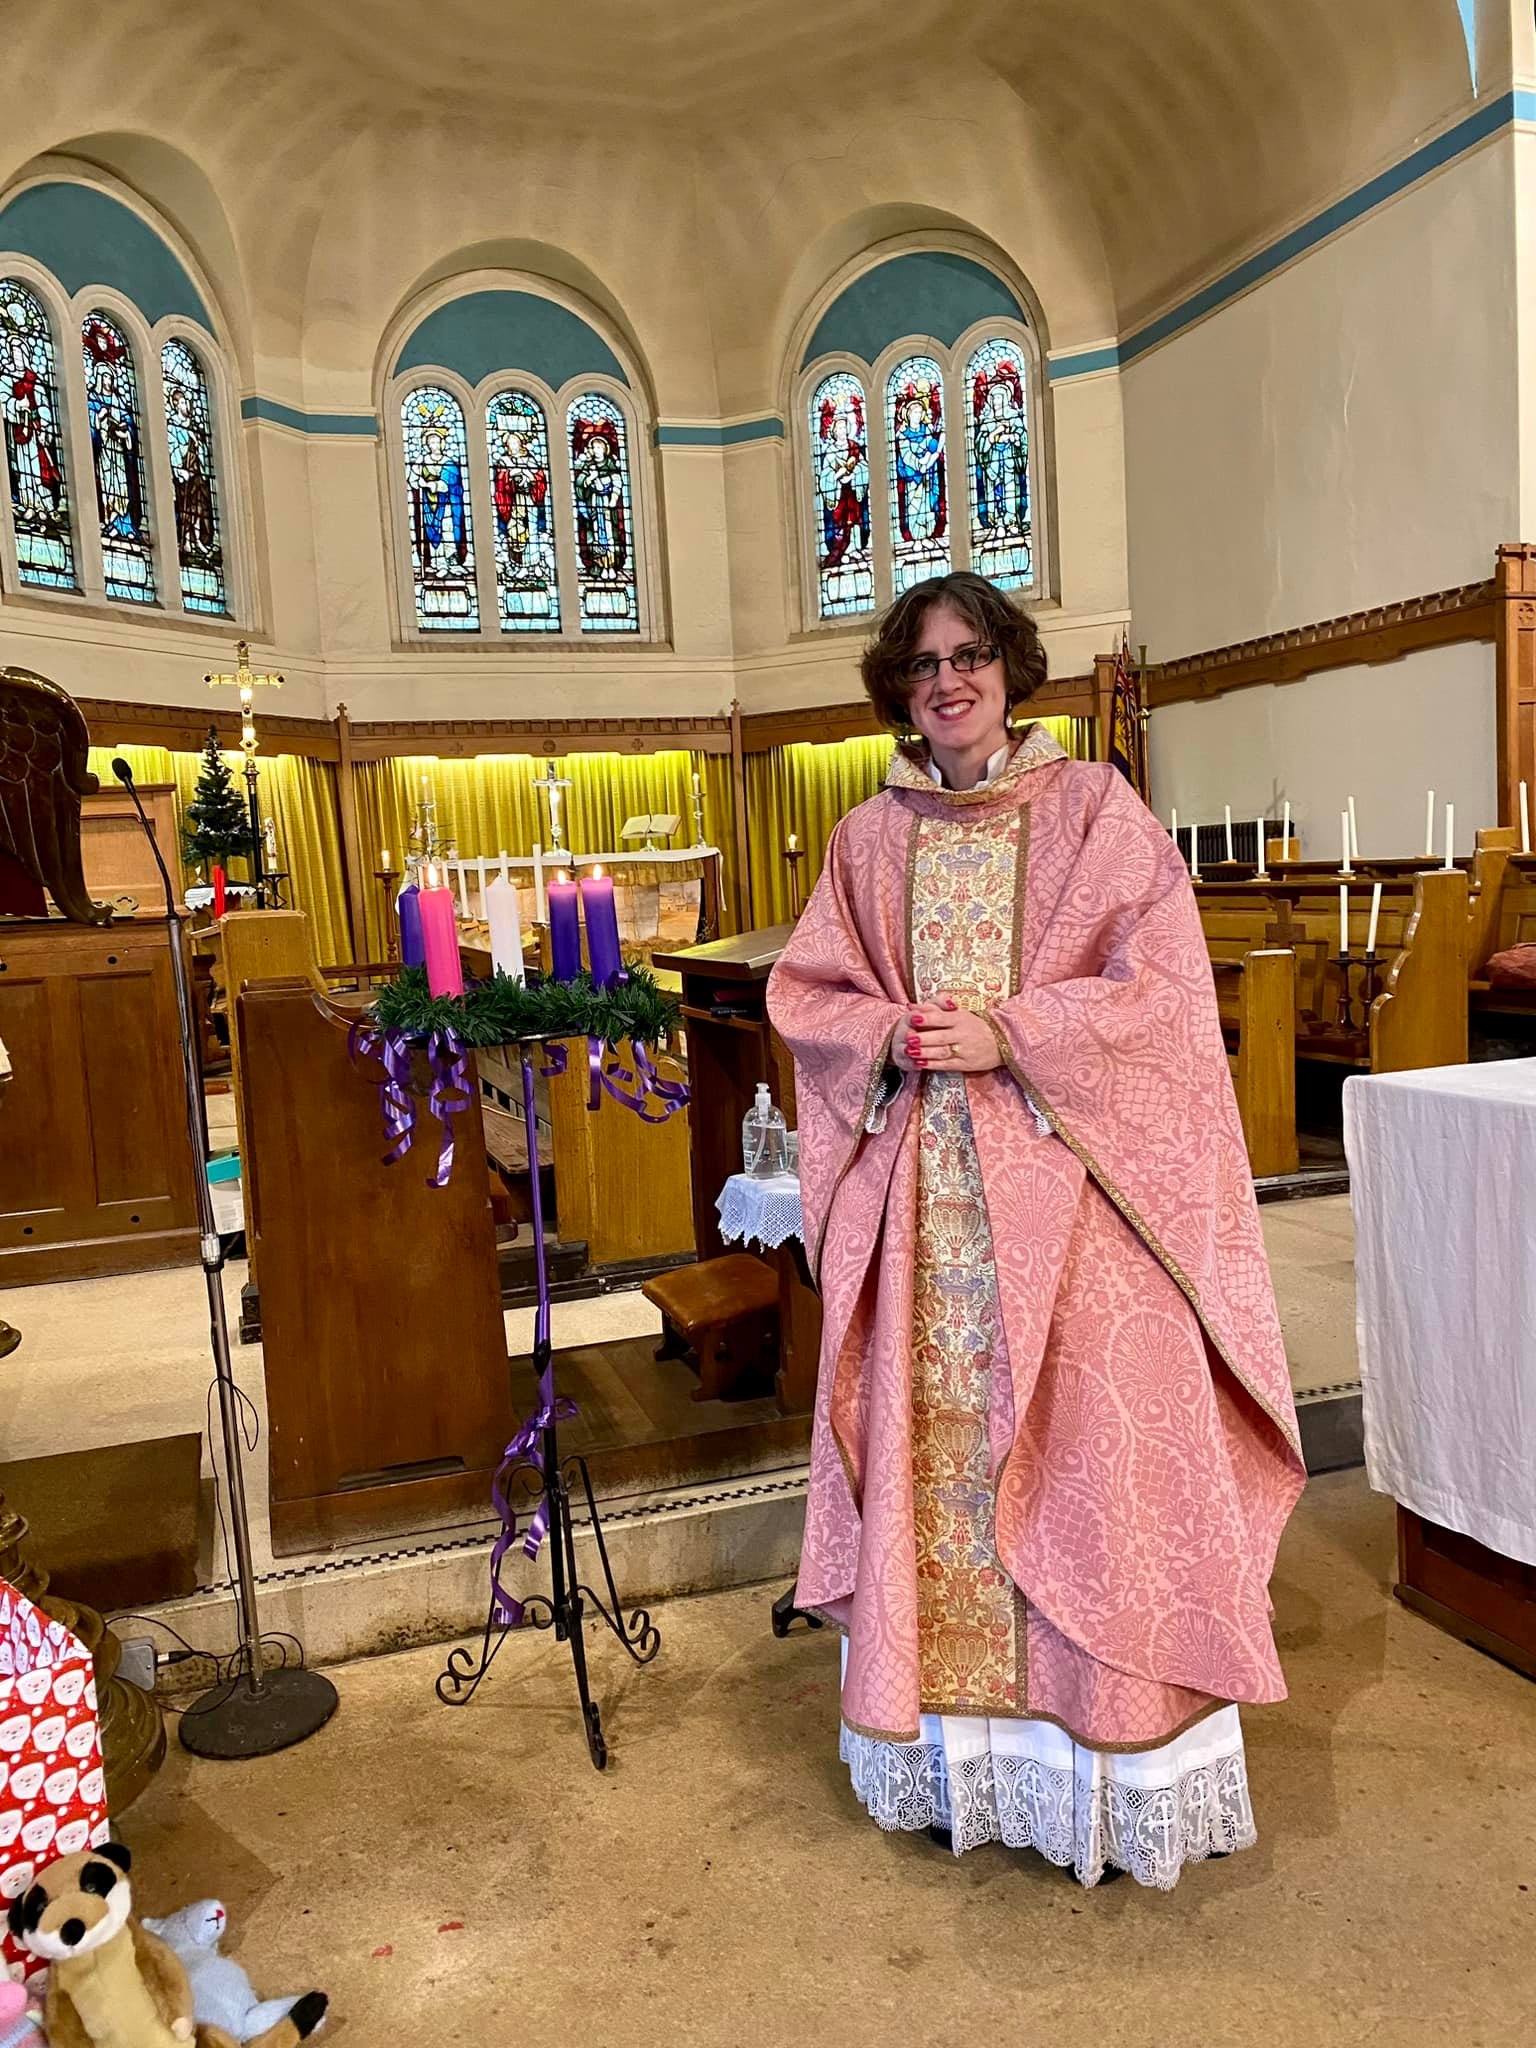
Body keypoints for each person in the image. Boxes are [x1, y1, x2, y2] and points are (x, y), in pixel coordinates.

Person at [767, 571, 1305, 1890]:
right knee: (933, 1470)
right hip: (925, 1216)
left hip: (1079, 1209)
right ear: (899, 689)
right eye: (923, 664)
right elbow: (809, 994)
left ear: (1009, 668)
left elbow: (1165, 994)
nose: (948, 681)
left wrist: (1015, 1031)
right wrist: (893, 1033)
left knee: (1097, 1469)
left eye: (970, 656)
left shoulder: (1095, 813)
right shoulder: (865, 841)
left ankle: (1101, 1770)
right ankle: (959, 1766)